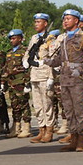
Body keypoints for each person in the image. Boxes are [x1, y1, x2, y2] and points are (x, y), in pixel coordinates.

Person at [44, 9, 83, 152]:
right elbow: (59, 59)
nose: (65, 21)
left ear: (76, 21)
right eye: (64, 19)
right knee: (68, 110)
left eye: (68, 19)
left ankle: (82, 139)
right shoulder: (62, 39)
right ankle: (73, 138)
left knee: (80, 110)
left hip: (77, 79)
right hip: (64, 78)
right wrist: (47, 61)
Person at [25, 13, 57, 142]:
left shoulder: (50, 39)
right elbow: (29, 52)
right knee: (37, 105)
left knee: (47, 104)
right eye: (35, 22)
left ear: (45, 23)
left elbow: (52, 58)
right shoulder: (34, 38)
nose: (36, 24)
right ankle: (41, 130)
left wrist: (51, 77)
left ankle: (49, 131)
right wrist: (25, 60)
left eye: (39, 22)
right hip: (35, 75)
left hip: (44, 75)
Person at [1, 29, 32, 138]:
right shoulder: (9, 52)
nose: (12, 41)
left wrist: (28, 82)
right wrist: (3, 82)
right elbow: (6, 68)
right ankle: (16, 126)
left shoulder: (25, 51)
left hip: (21, 81)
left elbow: (28, 67)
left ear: (20, 39)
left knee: (23, 104)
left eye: (14, 38)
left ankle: (26, 127)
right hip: (11, 82)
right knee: (15, 105)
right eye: (11, 39)